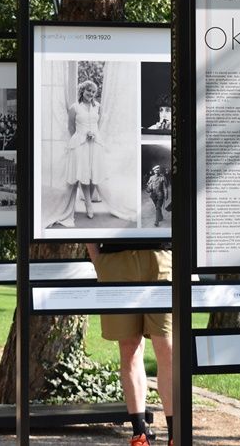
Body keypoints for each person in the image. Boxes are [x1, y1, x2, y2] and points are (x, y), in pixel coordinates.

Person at [87, 242, 174, 446]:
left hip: (161, 256)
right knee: (129, 348)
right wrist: (98, 260)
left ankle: (175, 435)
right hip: (116, 260)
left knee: (167, 348)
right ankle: (139, 434)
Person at [66, 80, 103, 222]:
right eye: (88, 91)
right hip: (80, 144)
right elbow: (70, 127)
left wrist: (94, 134)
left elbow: (98, 124)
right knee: (83, 172)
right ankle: (88, 203)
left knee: (94, 173)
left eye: (93, 92)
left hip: (95, 142)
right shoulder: (74, 107)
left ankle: (88, 201)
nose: (91, 94)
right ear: (82, 90)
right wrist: (82, 136)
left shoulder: (98, 107)